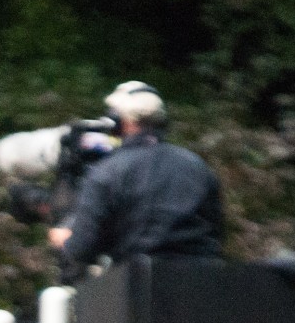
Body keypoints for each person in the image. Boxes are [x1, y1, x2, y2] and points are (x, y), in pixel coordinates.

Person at [53, 81, 224, 284]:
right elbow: (216, 232)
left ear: (118, 122)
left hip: (138, 289)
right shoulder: (198, 166)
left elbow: (81, 251)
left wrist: (64, 238)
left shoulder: (108, 171)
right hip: (203, 284)